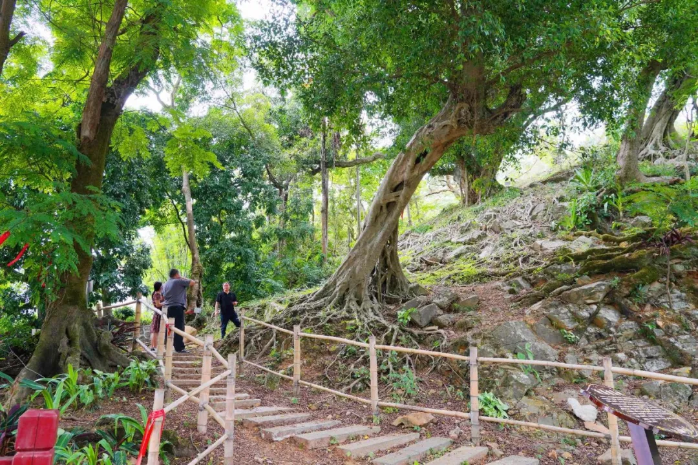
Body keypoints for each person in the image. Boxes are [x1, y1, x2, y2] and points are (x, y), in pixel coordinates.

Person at [162, 268, 196, 353]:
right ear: (177, 274)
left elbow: (163, 296)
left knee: (169, 327)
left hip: (168, 307)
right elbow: (192, 282)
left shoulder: (165, 284)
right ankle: (179, 348)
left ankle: (168, 345)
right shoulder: (178, 281)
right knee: (179, 327)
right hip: (177, 307)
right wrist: (183, 277)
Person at [150, 282, 164, 351]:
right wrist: (166, 303)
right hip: (158, 313)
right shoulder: (157, 294)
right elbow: (158, 304)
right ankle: (154, 347)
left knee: (155, 331)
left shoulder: (156, 293)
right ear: (160, 287)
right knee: (155, 331)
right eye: (162, 286)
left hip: (157, 313)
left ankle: (153, 346)